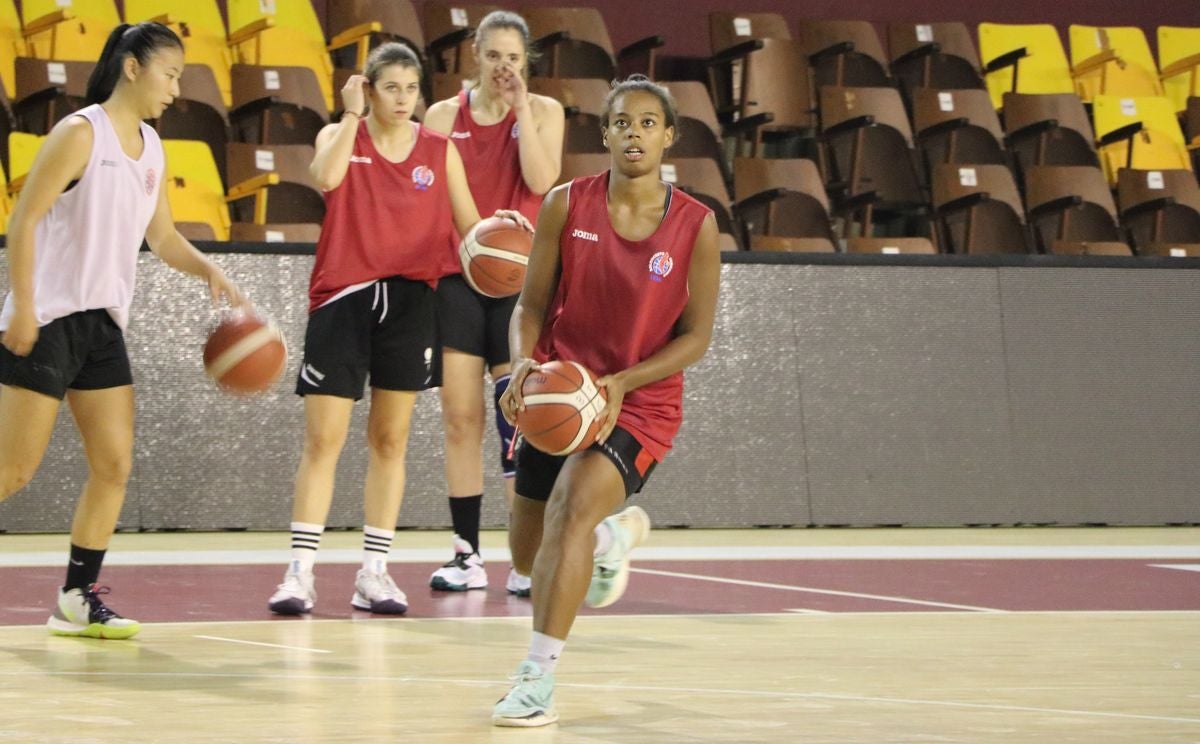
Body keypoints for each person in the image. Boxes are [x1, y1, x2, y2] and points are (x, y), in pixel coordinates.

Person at [266, 43, 531, 616]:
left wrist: (500, 228)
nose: (403, 98)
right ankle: (299, 574)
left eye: (411, 88)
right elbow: (324, 176)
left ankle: (374, 573)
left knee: (390, 440)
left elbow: (468, 226)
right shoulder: (342, 135)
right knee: (324, 441)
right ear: (368, 89)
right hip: (343, 298)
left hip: (412, 303)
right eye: (391, 87)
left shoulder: (438, 149)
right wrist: (350, 114)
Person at [0, 23, 243, 640]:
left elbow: (161, 236)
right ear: (132, 67)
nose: (176, 89)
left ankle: (76, 599)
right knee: (13, 472)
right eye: (170, 74)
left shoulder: (153, 147)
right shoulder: (80, 133)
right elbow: (23, 221)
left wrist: (209, 268)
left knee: (113, 465)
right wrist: (24, 307)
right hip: (49, 319)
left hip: (102, 326)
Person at [491, 76, 721, 726]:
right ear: (606, 134)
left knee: (569, 509)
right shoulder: (566, 204)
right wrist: (521, 365)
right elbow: (530, 305)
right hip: (561, 388)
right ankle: (611, 537)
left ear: (669, 136)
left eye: (648, 123)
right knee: (527, 555)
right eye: (622, 122)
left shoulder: (697, 225)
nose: (634, 134)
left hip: (639, 402)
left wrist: (623, 383)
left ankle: (536, 681)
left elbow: (697, 336)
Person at [422, 10, 564, 597]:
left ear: (526, 62)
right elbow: (432, 200)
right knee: (461, 419)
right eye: (493, 55)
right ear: (474, 56)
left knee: (517, 421)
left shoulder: (546, 111)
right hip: (457, 280)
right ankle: (466, 555)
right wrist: (476, 237)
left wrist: (521, 109)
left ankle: (524, 560)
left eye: (514, 57)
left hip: (519, 287)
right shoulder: (441, 116)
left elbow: (542, 179)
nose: (504, 66)